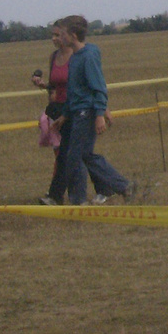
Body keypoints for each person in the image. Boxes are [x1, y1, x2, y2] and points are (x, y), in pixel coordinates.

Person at [59, 16, 132, 206]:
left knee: (75, 157)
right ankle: (124, 186)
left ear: (73, 35)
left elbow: (98, 87)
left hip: (87, 112)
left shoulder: (88, 56)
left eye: (63, 34)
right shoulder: (75, 57)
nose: (60, 37)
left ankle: (79, 201)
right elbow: (73, 90)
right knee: (84, 155)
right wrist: (65, 114)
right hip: (76, 111)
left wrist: (100, 114)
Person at [32, 19, 75, 206]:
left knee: (72, 154)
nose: (54, 38)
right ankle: (57, 194)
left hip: (73, 109)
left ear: (67, 35)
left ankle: (56, 195)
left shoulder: (77, 56)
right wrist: (44, 87)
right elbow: (55, 87)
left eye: (57, 35)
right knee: (63, 154)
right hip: (57, 110)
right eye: (53, 35)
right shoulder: (53, 57)